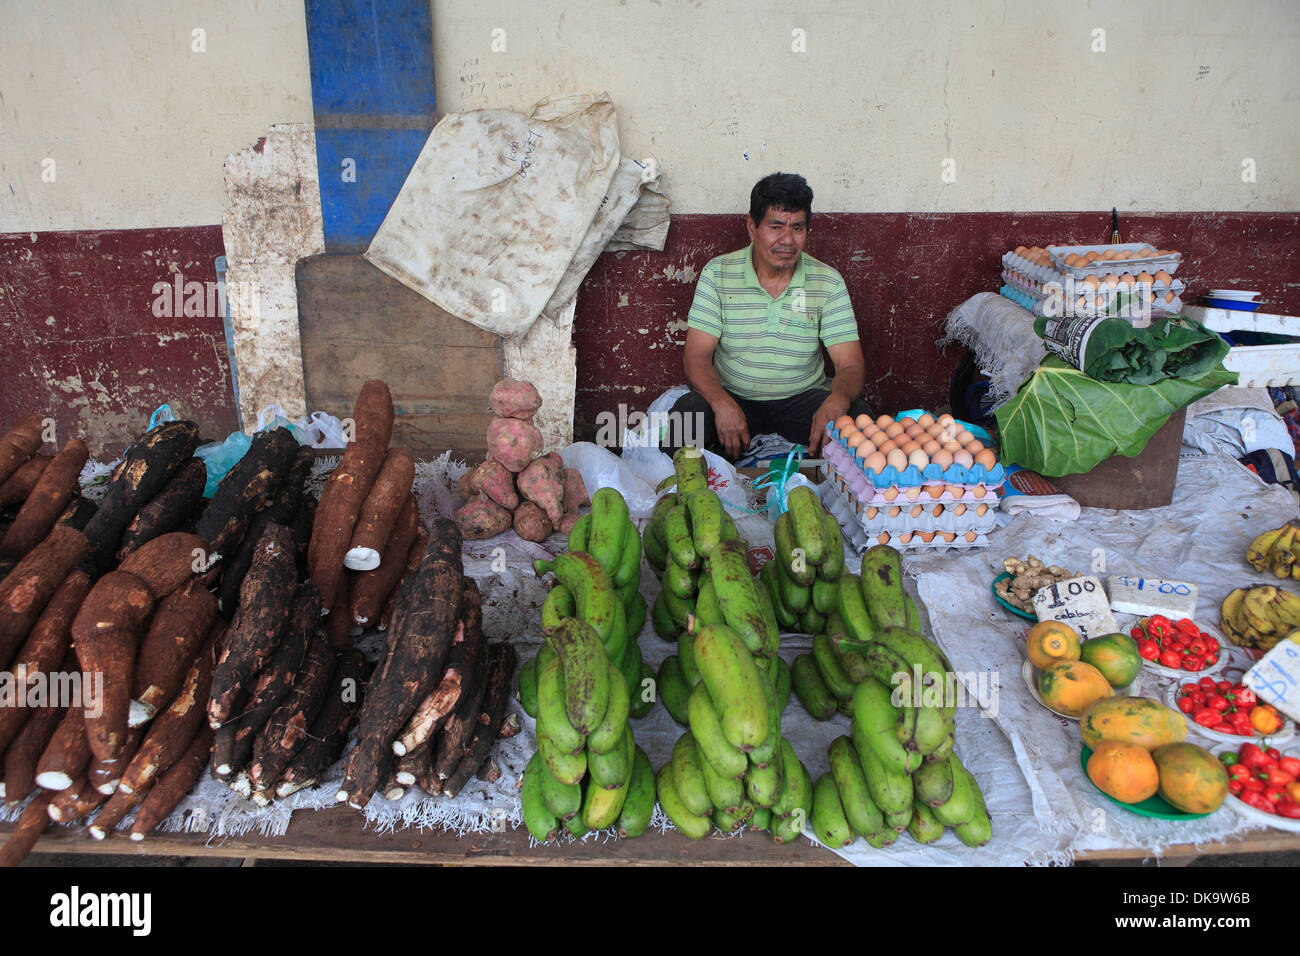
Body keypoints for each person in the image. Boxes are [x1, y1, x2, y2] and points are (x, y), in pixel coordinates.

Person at [667, 172, 871, 462]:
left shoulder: (828, 281)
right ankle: (685, 494)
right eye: (775, 227)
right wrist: (721, 403)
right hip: (733, 397)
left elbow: (850, 364)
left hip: (802, 401)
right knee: (687, 416)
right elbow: (696, 356)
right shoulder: (718, 273)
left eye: (797, 228)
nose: (787, 240)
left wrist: (837, 400)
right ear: (752, 227)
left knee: (858, 417)